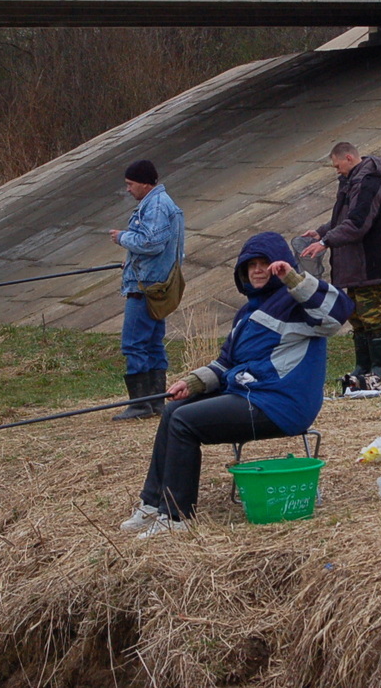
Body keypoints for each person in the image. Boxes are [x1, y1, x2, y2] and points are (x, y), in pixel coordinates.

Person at [120, 231, 353, 538]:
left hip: (280, 405)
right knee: (173, 410)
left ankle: (176, 517)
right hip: (248, 396)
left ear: (279, 266)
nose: (257, 270)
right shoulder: (247, 312)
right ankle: (152, 503)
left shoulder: (297, 304)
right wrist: (193, 383)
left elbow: (338, 314)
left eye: (265, 263)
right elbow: (226, 362)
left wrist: (294, 279)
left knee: (184, 423)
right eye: (250, 264)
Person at [300, 142, 381, 384]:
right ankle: (362, 366)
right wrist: (321, 231)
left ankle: (379, 369)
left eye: (337, 166)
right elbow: (343, 218)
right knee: (355, 315)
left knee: (371, 314)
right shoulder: (351, 182)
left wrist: (325, 241)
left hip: (368, 262)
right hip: (352, 264)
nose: (337, 171)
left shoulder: (368, 182)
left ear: (348, 157)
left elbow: (357, 223)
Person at [109, 159, 184, 420]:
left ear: (144, 183)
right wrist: (131, 258)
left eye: (130, 184)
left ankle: (140, 404)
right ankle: (156, 402)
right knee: (153, 344)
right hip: (156, 286)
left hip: (145, 288)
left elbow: (150, 242)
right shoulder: (162, 204)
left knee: (134, 344)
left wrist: (122, 238)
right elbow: (158, 247)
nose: (128, 189)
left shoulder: (155, 206)